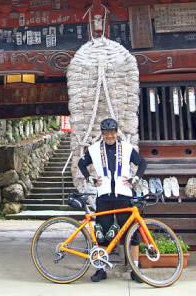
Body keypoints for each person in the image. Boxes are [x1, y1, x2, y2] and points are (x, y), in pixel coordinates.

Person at [77, 118, 147, 282]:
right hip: (104, 197)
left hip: (124, 196)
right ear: (102, 134)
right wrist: (90, 179)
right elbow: (81, 164)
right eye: (106, 133)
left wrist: (135, 178)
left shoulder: (127, 148)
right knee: (102, 235)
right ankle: (101, 269)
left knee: (131, 234)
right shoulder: (94, 149)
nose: (110, 136)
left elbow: (142, 163)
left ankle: (135, 269)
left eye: (112, 132)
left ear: (117, 132)